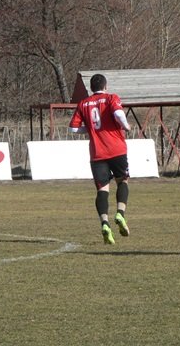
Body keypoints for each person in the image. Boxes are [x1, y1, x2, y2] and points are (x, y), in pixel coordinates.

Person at [69, 73, 132, 245]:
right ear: (105, 86)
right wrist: (126, 126)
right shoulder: (111, 98)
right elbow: (118, 114)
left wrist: (90, 129)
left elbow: (73, 129)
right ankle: (120, 214)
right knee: (122, 181)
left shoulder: (83, 103)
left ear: (91, 88)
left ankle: (105, 223)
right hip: (116, 149)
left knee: (102, 189)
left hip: (97, 153)